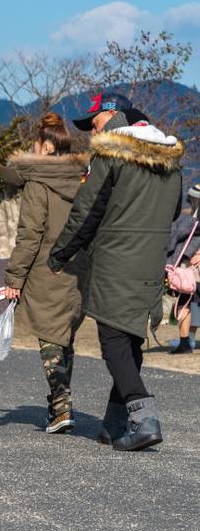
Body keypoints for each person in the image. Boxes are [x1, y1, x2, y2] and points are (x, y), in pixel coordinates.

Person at [48, 92, 184, 452]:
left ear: (112, 116)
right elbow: (173, 213)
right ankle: (114, 423)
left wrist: (59, 254)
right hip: (151, 261)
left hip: (116, 261)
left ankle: (145, 416)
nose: (91, 133)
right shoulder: (170, 160)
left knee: (112, 342)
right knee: (130, 340)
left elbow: (86, 211)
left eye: (93, 124)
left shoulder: (111, 154)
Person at [1, 113, 88, 434]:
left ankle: (61, 406)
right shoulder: (84, 179)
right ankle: (59, 405)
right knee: (64, 336)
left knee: (50, 338)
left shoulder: (38, 183)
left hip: (45, 266)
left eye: (35, 144)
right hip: (79, 267)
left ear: (46, 146)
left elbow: (30, 234)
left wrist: (14, 278)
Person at [165, 183, 200, 354]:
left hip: (189, 268)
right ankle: (188, 340)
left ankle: (186, 342)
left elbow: (175, 237)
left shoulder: (190, 220)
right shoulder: (192, 217)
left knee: (185, 302)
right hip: (191, 267)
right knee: (191, 303)